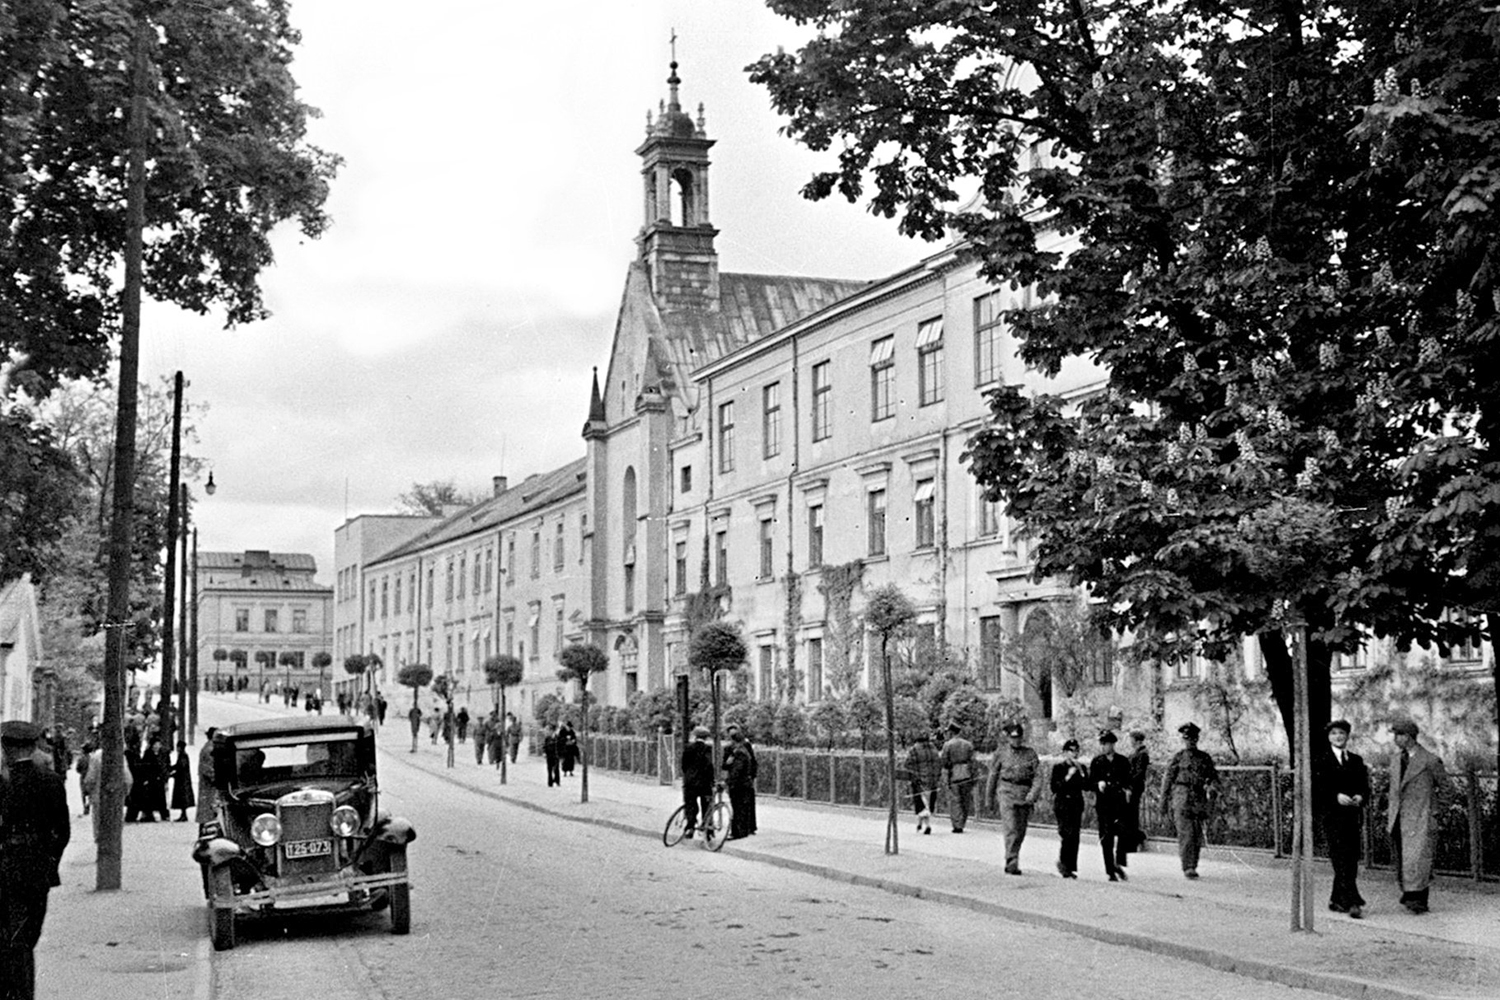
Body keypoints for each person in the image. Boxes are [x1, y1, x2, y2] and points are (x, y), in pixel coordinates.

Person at [0, 722, 71, 1000]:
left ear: (7, 748)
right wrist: (49, 864)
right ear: (33, 746)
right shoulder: (51, 781)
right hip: (38, 871)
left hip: (6, 868)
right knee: (27, 938)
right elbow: (63, 832)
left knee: (11, 941)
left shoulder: (4, 783)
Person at [1387, 718, 1451, 914]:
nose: (1396, 739)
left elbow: (1446, 788)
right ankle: (1408, 894)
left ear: (1409, 737)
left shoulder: (1430, 760)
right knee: (1403, 858)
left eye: (1399, 735)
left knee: (1419, 859)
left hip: (1420, 817)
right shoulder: (1396, 759)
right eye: (1395, 735)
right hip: (1399, 816)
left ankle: (1418, 899)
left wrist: (1436, 811)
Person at [1319, 719, 1371, 918]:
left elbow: (1364, 786)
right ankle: (1352, 901)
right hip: (1333, 817)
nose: (1338, 737)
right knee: (1339, 858)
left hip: (1352, 816)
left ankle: (1336, 899)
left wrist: (1360, 796)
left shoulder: (1356, 760)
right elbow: (1318, 789)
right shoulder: (1322, 760)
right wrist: (1335, 797)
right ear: (1329, 737)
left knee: (1351, 858)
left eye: (1341, 733)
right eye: (1334, 734)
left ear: (1347, 736)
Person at [1160, 721, 1219, 879]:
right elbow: (1167, 781)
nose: (1190, 742)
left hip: (1198, 798)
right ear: (1183, 740)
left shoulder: (1204, 758)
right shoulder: (1178, 758)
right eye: (1187, 739)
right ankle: (1188, 867)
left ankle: (1193, 863)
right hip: (1182, 797)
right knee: (1186, 833)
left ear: (1197, 739)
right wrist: (1163, 803)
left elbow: (1213, 777)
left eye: (1193, 739)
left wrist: (1212, 787)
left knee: (1196, 834)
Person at [985, 722, 1041, 873]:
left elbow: (1037, 776)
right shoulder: (1001, 753)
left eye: (1018, 738)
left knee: (1020, 829)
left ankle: (1014, 855)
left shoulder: (1030, 754)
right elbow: (993, 776)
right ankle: (1011, 860)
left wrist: (1033, 794)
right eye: (1013, 738)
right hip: (1006, 791)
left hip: (1024, 793)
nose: (1016, 741)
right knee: (1010, 826)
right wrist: (988, 798)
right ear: (1008, 738)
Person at [1090, 729, 1133, 880]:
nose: (1103, 747)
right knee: (1106, 837)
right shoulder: (1097, 761)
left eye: (1106, 744)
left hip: (1119, 803)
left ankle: (1119, 862)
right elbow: (1090, 782)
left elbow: (1129, 780)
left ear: (1112, 744)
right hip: (1104, 804)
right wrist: (1098, 784)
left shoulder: (1122, 761)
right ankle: (1110, 870)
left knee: (1122, 833)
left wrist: (1127, 789)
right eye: (1102, 744)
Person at [1050, 739, 1087, 878]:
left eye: (1076, 750)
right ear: (1065, 752)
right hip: (1063, 803)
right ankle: (1063, 863)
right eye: (1071, 750)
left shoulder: (1081, 767)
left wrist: (1081, 772)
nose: (1074, 753)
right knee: (1066, 833)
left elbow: (1086, 785)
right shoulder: (1059, 768)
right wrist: (1068, 776)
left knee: (1075, 835)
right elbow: (1054, 787)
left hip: (1076, 804)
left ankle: (1070, 866)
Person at [939, 721, 977, 834]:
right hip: (967, 774)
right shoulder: (968, 744)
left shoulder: (948, 745)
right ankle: (963, 822)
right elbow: (973, 762)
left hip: (954, 774)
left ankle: (957, 825)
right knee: (965, 800)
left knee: (955, 800)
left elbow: (944, 761)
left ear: (951, 732)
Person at [680, 726, 715, 838]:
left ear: (695, 736)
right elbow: (709, 765)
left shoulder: (688, 748)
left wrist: (688, 775)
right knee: (707, 805)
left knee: (690, 805)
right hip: (704, 782)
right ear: (705, 737)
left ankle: (690, 827)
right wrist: (711, 780)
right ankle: (707, 829)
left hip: (690, 782)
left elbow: (683, 765)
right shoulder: (707, 749)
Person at [904, 732, 943, 835]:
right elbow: (939, 763)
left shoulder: (914, 749)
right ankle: (919, 824)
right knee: (928, 803)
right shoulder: (933, 749)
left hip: (919, 780)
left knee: (922, 803)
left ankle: (927, 825)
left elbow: (907, 764)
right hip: (932, 781)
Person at [722, 725, 756, 840]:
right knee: (741, 807)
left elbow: (737, 770)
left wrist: (727, 782)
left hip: (739, 784)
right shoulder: (741, 751)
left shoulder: (740, 753)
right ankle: (743, 830)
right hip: (743, 783)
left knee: (738, 808)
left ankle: (738, 832)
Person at [1124, 730, 1150, 854]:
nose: (1130, 741)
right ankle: (1134, 840)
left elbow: (1139, 773)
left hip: (1135, 787)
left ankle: (1137, 839)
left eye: (1131, 739)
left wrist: (1129, 785)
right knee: (1129, 814)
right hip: (1132, 786)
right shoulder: (1137, 753)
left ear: (1136, 740)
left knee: (1132, 814)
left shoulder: (1142, 754)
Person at [196, 728, 218, 825]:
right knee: (209, 808)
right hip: (209, 785)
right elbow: (209, 768)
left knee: (206, 809)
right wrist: (217, 778)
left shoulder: (208, 747)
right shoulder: (210, 749)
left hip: (206, 784)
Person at [169, 740, 195, 822]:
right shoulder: (182, 755)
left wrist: (172, 773)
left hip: (182, 781)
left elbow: (181, 768)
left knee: (182, 798)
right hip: (183, 780)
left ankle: (184, 815)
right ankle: (183, 815)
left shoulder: (183, 756)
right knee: (182, 799)